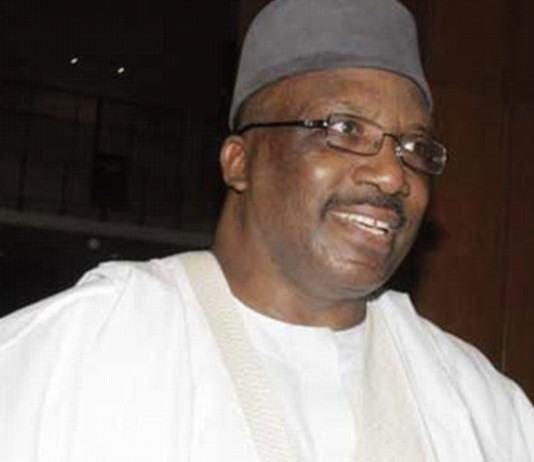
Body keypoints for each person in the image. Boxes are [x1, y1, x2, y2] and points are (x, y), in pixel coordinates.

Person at [1, 0, 533, 460]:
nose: (394, 175)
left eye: (413, 147)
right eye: (345, 128)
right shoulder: (76, 354)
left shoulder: (479, 404)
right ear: (239, 162)